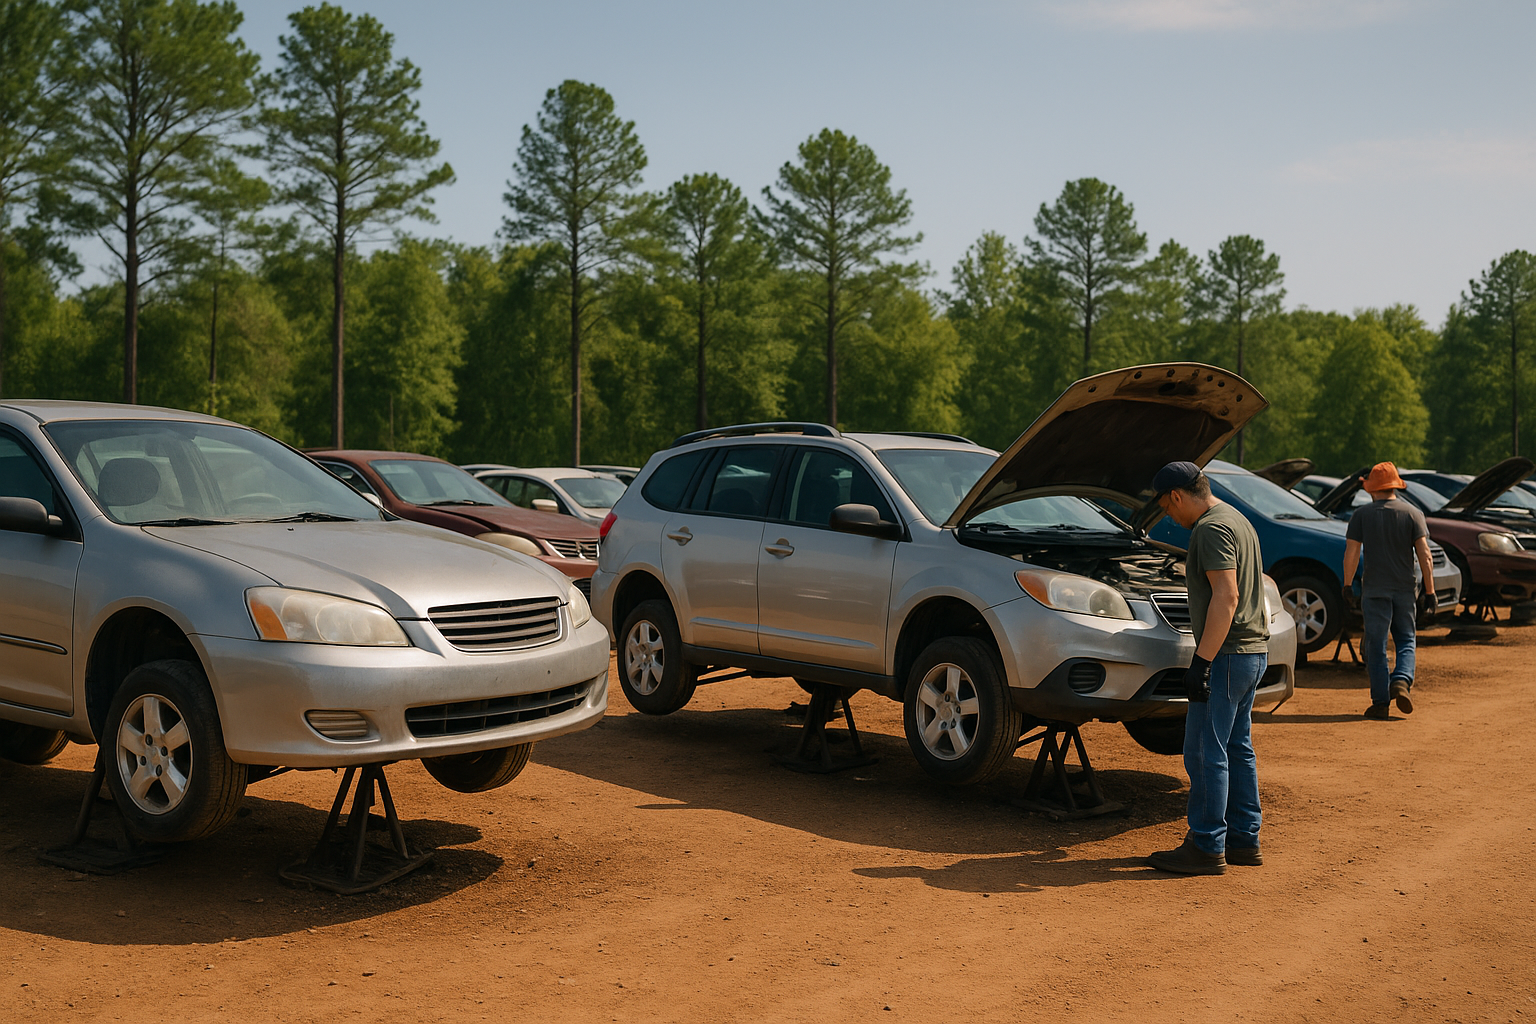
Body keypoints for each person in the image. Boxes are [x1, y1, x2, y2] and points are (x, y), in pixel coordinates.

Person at [1146, 461, 1271, 876]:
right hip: (1253, 652)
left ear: (1177, 496)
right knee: (1237, 747)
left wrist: (1201, 662)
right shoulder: (1238, 520)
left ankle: (1205, 845)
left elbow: (1227, 597)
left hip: (1228, 654)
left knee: (1203, 750)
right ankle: (1242, 840)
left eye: (1165, 507)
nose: (1168, 516)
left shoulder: (1211, 528)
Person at [1341, 462, 1434, 720]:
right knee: (1406, 639)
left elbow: (1351, 553)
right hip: (1405, 589)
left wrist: (1347, 585)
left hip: (1374, 591)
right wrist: (1430, 590)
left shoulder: (1361, 515)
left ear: (1371, 489)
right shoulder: (1413, 513)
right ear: (1395, 486)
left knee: (1376, 645)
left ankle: (1380, 703)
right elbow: (1425, 556)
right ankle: (1401, 681)